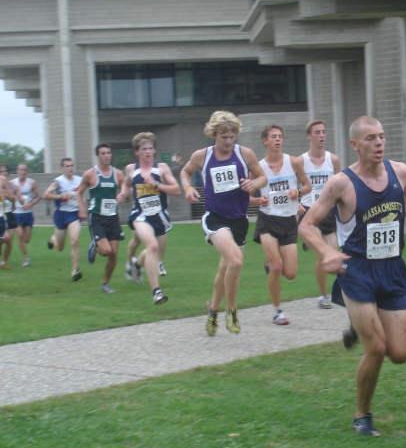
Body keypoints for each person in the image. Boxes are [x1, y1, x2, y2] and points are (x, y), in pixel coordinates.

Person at [299, 115, 406, 437]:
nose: (379, 143)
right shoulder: (341, 183)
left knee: (400, 354)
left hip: (393, 269)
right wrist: (326, 252)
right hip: (358, 271)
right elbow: (306, 225)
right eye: (370, 138)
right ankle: (362, 415)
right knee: (377, 349)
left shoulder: (402, 172)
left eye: (381, 136)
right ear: (355, 145)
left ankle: (358, 324)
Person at [180, 111, 267, 336]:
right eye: (223, 137)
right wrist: (188, 188)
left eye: (232, 137)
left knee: (226, 268)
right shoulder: (203, 155)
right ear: (214, 135)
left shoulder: (244, 154)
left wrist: (253, 183)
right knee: (236, 262)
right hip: (215, 217)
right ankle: (232, 310)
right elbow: (185, 172)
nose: (228, 142)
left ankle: (212, 311)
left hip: (239, 218)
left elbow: (262, 177)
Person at [254, 124, 311, 325]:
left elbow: (307, 185)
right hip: (267, 220)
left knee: (291, 274)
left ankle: (270, 263)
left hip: (288, 221)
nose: (277, 140)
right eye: (273, 136)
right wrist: (257, 201)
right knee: (277, 268)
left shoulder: (293, 162)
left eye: (280, 136)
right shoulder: (258, 167)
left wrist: (297, 193)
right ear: (265, 141)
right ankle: (278, 311)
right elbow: (246, 196)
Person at [118, 132, 181, 304]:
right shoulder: (131, 169)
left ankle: (137, 265)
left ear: (154, 151)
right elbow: (126, 182)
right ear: (137, 152)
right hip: (140, 215)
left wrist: (156, 184)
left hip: (159, 216)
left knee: (153, 250)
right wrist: (123, 192)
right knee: (152, 246)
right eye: (144, 149)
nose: (148, 151)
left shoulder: (161, 168)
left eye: (150, 148)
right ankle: (157, 291)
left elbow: (176, 190)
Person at [297, 119, 341, 309]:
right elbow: (292, 186)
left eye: (323, 132)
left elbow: (340, 184)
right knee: (323, 256)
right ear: (309, 136)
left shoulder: (334, 160)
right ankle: (324, 296)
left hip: (329, 212)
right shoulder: (301, 161)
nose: (321, 135)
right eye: (317, 132)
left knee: (334, 258)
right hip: (309, 212)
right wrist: (295, 202)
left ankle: (310, 242)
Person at [76, 144, 126, 293]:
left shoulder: (118, 174)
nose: (106, 155)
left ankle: (105, 283)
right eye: (103, 153)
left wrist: (124, 194)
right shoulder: (90, 174)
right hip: (97, 217)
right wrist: (82, 209)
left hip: (113, 218)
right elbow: (79, 193)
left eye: (109, 153)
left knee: (114, 253)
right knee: (105, 251)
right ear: (98, 156)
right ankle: (95, 246)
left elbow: (125, 187)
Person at [43, 158, 83, 281]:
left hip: (74, 215)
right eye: (67, 166)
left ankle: (74, 271)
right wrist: (61, 196)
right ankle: (54, 239)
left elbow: (81, 195)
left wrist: (83, 203)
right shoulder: (58, 182)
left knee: (74, 241)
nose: (70, 168)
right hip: (61, 215)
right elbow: (46, 195)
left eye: (71, 166)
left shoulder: (80, 180)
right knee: (60, 247)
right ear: (62, 168)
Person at [10, 163, 40, 267]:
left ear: (27, 171)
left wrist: (30, 204)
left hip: (28, 214)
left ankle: (25, 253)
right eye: (21, 170)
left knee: (26, 239)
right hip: (16, 214)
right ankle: (26, 259)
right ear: (17, 171)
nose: (23, 172)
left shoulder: (32, 183)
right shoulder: (12, 183)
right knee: (20, 235)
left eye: (25, 170)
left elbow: (37, 197)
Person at [0, 164, 19, 269]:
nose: (3, 173)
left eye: (5, 171)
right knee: (3, 239)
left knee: (9, 240)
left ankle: (4, 262)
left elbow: (13, 199)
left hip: (8, 214)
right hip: (1, 214)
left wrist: (5, 195)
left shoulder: (10, 184)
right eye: (1, 171)